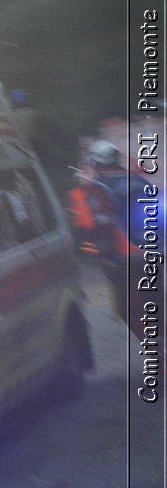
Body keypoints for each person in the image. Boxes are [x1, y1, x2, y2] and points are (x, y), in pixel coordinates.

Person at [87, 139, 158, 338]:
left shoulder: (99, 188)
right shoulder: (140, 181)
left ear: (96, 164)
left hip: (124, 257)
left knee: (128, 308)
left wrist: (102, 255)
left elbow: (101, 225)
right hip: (153, 252)